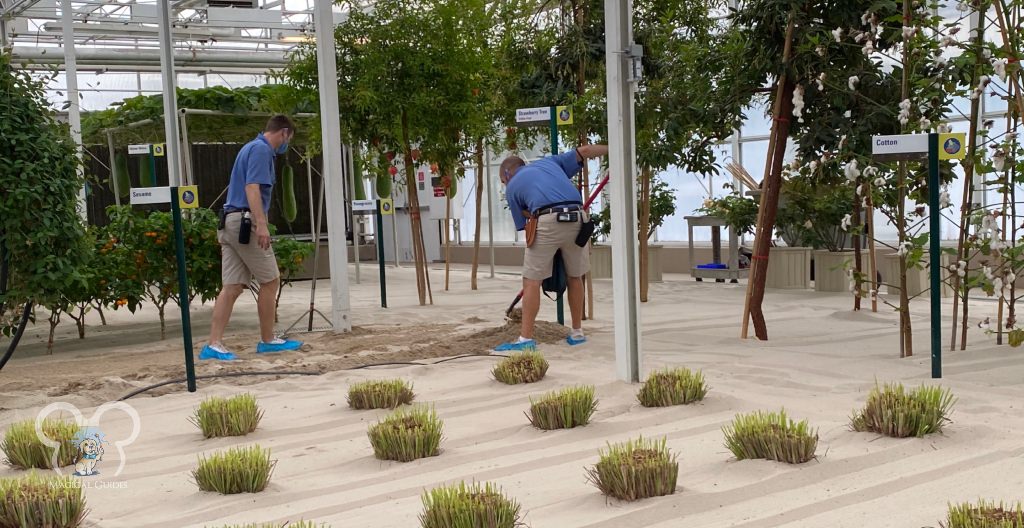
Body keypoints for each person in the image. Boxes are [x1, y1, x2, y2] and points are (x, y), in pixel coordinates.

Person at [199, 115, 303, 361]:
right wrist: (261, 224)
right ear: (284, 133)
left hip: (230, 221)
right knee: (271, 280)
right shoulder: (261, 150)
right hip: (245, 223)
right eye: (289, 138)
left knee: (232, 286)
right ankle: (268, 340)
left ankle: (213, 344)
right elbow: (252, 187)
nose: (287, 143)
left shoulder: (249, 147)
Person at [496, 144, 609, 352]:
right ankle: (577, 333)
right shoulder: (550, 162)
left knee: (532, 281)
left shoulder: (512, 187)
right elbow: (583, 152)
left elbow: (524, 223)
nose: (505, 186)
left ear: (507, 174)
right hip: (578, 217)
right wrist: (615, 147)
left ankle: (525, 339)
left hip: (547, 220)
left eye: (503, 182)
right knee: (575, 276)